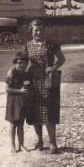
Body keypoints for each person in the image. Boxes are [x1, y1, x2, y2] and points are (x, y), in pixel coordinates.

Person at [23, 18, 66, 153]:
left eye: (41, 30)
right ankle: (39, 141)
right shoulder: (27, 46)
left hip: (48, 80)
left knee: (49, 111)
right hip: (33, 81)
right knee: (36, 111)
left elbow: (61, 59)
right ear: (31, 31)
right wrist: (20, 78)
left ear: (44, 30)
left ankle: (53, 143)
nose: (39, 33)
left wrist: (53, 68)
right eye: (36, 30)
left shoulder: (51, 44)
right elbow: (22, 63)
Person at [4, 51, 31, 153]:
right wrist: (19, 91)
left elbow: (28, 87)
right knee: (13, 123)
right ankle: (12, 145)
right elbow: (7, 89)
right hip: (13, 101)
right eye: (19, 63)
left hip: (22, 101)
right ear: (15, 63)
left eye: (24, 63)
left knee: (20, 124)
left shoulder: (26, 74)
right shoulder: (11, 73)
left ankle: (21, 145)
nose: (21, 65)